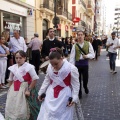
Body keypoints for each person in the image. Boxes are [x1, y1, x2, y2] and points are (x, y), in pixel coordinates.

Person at [37, 47, 84, 120]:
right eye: (52, 64)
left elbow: (76, 85)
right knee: (48, 114)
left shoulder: (71, 68)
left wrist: (74, 98)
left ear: (61, 59)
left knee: (63, 115)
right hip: (51, 94)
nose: (54, 66)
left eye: (56, 64)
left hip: (64, 95)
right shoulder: (50, 67)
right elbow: (47, 80)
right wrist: (41, 92)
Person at [5, 50, 40, 120]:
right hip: (15, 88)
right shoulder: (13, 67)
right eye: (16, 58)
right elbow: (11, 79)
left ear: (24, 58)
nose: (18, 60)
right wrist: (10, 89)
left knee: (27, 107)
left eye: (20, 58)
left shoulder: (29, 67)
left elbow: (35, 79)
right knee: (14, 104)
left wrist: (29, 90)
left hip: (26, 87)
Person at [69, 31, 95, 99]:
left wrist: (87, 56)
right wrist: (71, 66)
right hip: (77, 65)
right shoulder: (75, 45)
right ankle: (79, 92)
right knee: (78, 79)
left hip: (85, 64)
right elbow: (72, 57)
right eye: (79, 35)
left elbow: (93, 55)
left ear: (84, 36)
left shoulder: (88, 44)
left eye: (81, 35)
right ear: (77, 36)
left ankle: (85, 86)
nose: (80, 36)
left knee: (85, 79)